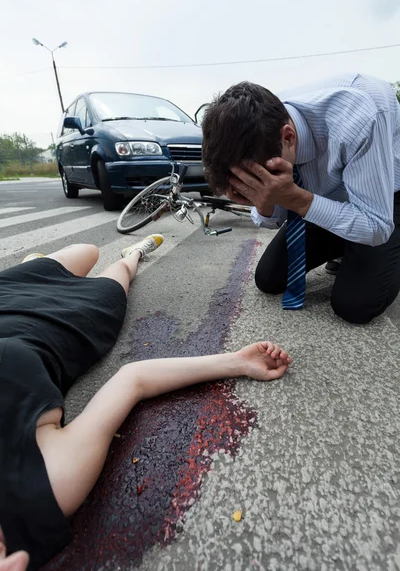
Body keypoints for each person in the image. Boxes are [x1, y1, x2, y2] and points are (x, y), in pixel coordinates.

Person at [0, 238, 292, 571]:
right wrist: (238, 363)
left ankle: (32, 265)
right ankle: (134, 254)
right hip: (66, 320)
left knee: (87, 252)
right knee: (112, 273)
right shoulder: (47, 487)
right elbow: (133, 380)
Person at [202, 73, 400, 324]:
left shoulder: (359, 119)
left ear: (289, 137)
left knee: (355, 304)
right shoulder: (262, 126)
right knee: (268, 278)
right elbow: (277, 213)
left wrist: (299, 201)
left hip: (386, 199)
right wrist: (263, 204)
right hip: (327, 196)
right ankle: (345, 244)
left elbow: (377, 227)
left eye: (260, 178)